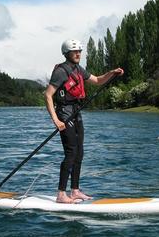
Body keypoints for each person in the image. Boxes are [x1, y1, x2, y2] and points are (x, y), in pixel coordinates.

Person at [44, 39, 124, 204]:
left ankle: (75, 191)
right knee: (71, 152)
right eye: (75, 51)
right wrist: (56, 120)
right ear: (67, 54)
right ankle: (61, 194)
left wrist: (112, 73)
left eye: (80, 51)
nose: (78, 54)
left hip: (76, 113)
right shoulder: (61, 71)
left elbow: (97, 80)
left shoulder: (78, 69)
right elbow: (48, 95)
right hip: (65, 114)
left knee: (79, 152)